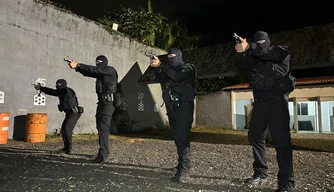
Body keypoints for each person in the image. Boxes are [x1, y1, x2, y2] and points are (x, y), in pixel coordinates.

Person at [234, 31, 295, 192]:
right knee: (255, 137)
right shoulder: (255, 57)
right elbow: (241, 66)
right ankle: (260, 172)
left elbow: (267, 52)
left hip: (278, 103)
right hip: (260, 104)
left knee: (282, 143)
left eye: (262, 42)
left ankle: (286, 183)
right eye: (257, 42)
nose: (260, 44)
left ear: (268, 41)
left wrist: (251, 46)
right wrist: (241, 51)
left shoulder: (281, 51)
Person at [150, 48, 196, 183]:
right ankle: (182, 163)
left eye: (173, 56)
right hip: (173, 107)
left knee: (182, 136)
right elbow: (161, 78)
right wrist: (156, 68)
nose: (170, 58)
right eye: (168, 56)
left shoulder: (187, 68)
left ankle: (185, 168)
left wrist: (161, 65)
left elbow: (177, 76)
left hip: (184, 107)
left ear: (179, 56)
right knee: (177, 136)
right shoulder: (168, 69)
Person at [67, 55, 118, 163]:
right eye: (96, 62)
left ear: (105, 62)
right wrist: (77, 67)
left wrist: (79, 65)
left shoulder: (109, 70)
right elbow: (89, 72)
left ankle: (103, 154)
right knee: (99, 126)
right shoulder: (100, 74)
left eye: (100, 61)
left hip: (109, 103)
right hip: (102, 103)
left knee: (103, 126)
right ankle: (103, 151)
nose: (98, 63)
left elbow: (95, 69)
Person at [33, 79, 82, 154]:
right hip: (70, 113)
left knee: (66, 129)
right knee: (65, 129)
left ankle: (68, 149)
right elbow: (52, 92)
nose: (57, 86)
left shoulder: (66, 91)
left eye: (59, 85)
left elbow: (56, 93)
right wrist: (41, 88)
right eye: (57, 85)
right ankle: (67, 148)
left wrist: (41, 88)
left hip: (74, 113)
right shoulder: (62, 91)